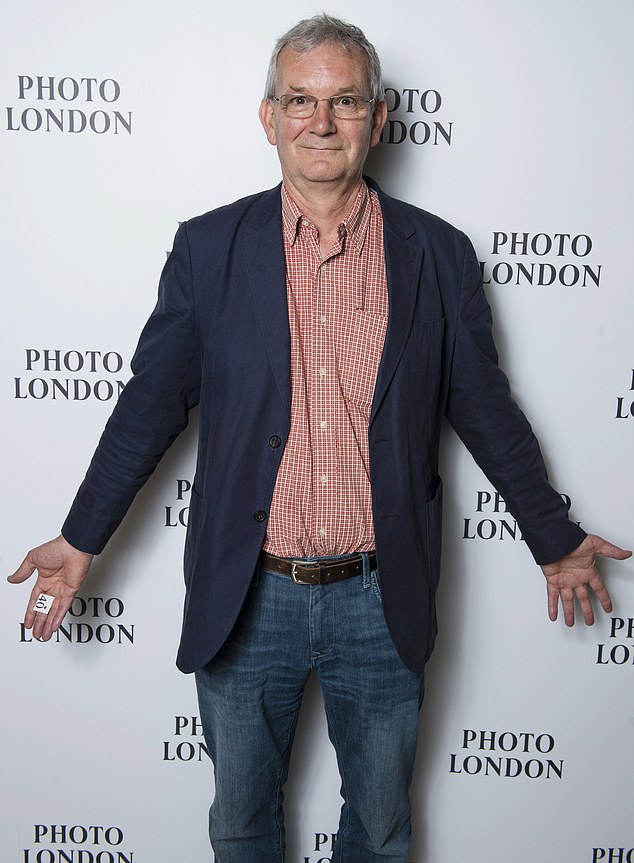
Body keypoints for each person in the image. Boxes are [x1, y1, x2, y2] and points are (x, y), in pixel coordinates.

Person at [8, 13, 630, 863]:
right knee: (240, 823)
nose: (321, 121)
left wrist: (553, 538)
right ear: (269, 117)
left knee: (378, 829)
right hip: (247, 595)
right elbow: (148, 405)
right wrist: (82, 538)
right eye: (300, 99)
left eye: (344, 101)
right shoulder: (207, 247)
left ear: (378, 118)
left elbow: (486, 407)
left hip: (381, 596)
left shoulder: (439, 256)